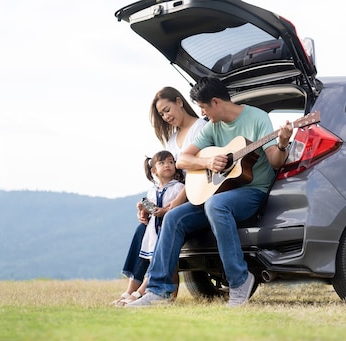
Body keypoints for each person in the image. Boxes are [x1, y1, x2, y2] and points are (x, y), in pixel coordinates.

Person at [127, 77, 293, 308]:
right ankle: (159, 292)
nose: (203, 114)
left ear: (215, 102)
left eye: (203, 108)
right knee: (174, 217)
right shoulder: (213, 127)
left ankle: (240, 281)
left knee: (216, 205)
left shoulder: (257, 118)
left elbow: (275, 161)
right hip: (216, 194)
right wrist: (207, 161)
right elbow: (183, 160)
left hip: (252, 191)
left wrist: (283, 143)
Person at [113, 87, 207, 304]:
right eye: (162, 114)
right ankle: (132, 288)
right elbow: (164, 183)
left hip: (194, 196)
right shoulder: (172, 141)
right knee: (142, 228)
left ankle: (151, 291)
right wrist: (146, 208)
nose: (166, 117)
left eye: (167, 110)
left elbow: (196, 174)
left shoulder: (201, 128)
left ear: (179, 101)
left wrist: (174, 204)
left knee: (166, 223)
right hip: (171, 201)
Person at [115, 150, 185, 306]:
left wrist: (163, 211)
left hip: (165, 230)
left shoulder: (179, 188)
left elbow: (175, 208)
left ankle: (139, 292)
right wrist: (142, 208)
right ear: (154, 170)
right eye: (162, 163)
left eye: (171, 162)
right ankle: (133, 291)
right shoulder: (152, 191)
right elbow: (151, 209)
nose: (168, 165)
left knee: (156, 260)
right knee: (147, 254)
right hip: (152, 232)